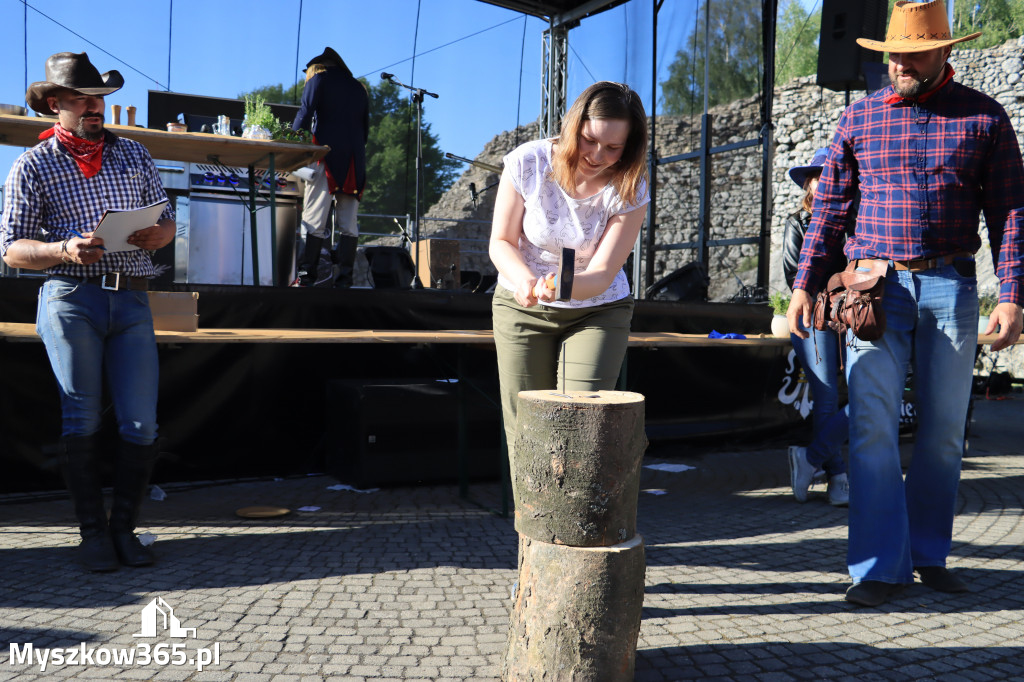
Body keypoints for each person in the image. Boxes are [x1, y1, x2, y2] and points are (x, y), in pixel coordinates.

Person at [787, 0, 1024, 607]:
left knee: (944, 434)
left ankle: (928, 554)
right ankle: (876, 568)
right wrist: (803, 287)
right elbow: (830, 212)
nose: (900, 64)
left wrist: (1014, 296)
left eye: (914, 52)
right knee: (870, 430)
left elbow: (1011, 213)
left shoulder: (986, 118)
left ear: (945, 50)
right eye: (893, 53)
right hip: (873, 292)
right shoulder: (859, 120)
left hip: (952, 288)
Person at [0, 52, 176, 571]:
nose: (94, 106)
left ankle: (124, 530)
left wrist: (158, 233)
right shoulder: (33, 164)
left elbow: (167, 221)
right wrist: (63, 249)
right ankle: (92, 535)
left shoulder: (135, 155)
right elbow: (10, 248)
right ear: (56, 105)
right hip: (70, 296)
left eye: (98, 97)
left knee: (141, 423)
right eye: (81, 98)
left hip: (133, 296)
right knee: (80, 416)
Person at [489, 81, 649, 462]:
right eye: (589, 140)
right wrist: (526, 282)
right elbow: (501, 241)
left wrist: (563, 287)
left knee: (580, 428)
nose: (597, 155)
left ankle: (575, 523)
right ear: (573, 125)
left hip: (597, 309)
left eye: (613, 148)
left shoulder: (631, 186)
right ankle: (528, 523)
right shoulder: (528, 161)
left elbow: (602, 275)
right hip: (521, 306)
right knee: (527, 432)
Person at [782, 149, 849, 507]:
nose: (827, 181)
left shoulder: (854, 220)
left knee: (869, 393)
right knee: (826, 397)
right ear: (809, 183)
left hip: (853, 314)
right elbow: (795, 278)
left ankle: (809, 460)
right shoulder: (798, 222)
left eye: (833, 175)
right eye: (819, 175)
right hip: (815, 315)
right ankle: (837, 475)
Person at [292, 46, 369, 288]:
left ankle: (307, 276)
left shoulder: (319, 79)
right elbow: (365, 128)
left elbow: (306, 113)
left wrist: (291, 142)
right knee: (348, 222)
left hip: (326, 156)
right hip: (355, 160)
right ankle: (344, 280)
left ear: (318, 67)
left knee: (314, 217)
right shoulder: (359, 88)